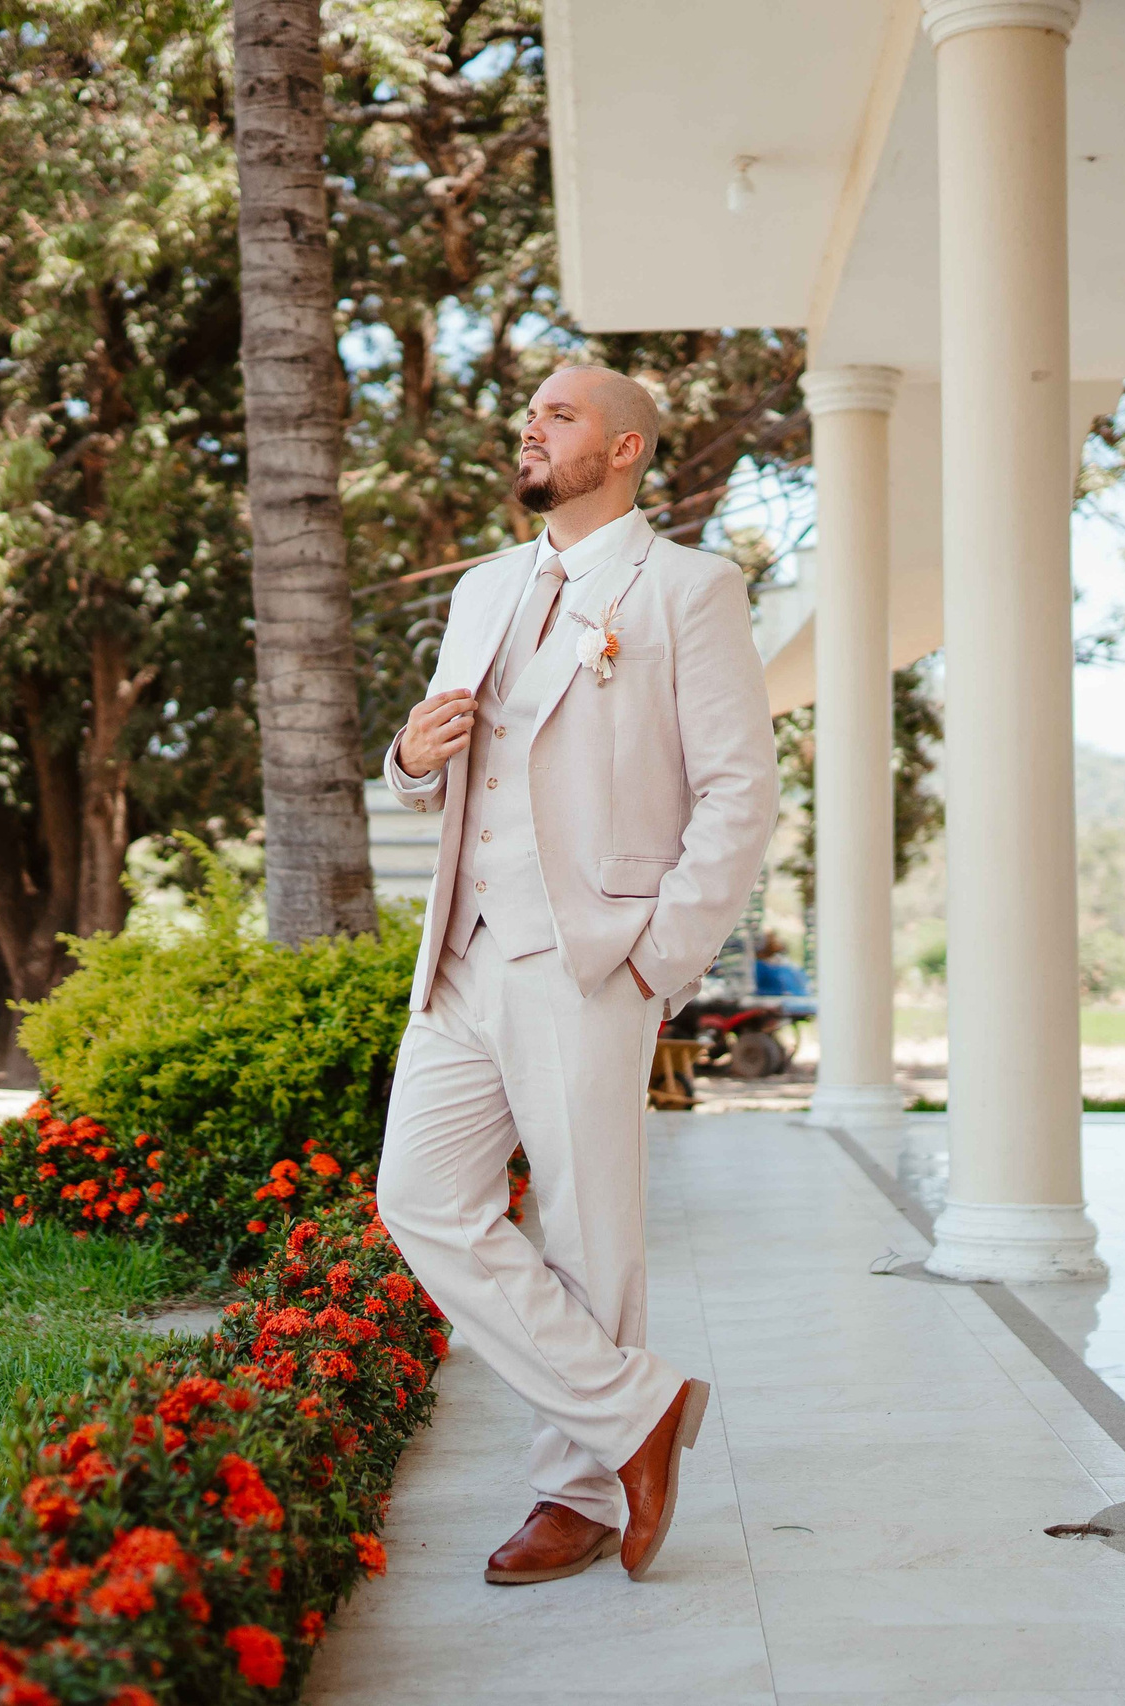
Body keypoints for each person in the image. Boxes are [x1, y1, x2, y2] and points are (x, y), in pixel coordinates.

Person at [374, 365, 778, 1586]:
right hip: (463, 949)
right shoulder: (483, 587)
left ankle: (579, 1490)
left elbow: (738, 791)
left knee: (590, 1234)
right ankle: (635, 1411)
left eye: (558, 414)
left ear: (625, 447)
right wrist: (408, 757)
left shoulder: (688, 589)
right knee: (420, 1199)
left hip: (593, 949)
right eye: (530, 413)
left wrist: (657, 956)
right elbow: (443, 769)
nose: (530, 426)